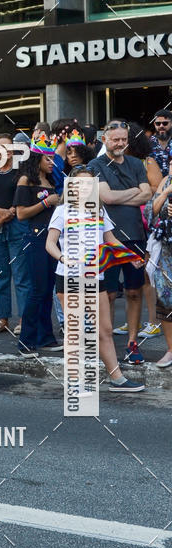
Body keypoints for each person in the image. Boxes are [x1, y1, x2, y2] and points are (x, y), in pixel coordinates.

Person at [46, 166, 144, 392]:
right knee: (75, 331)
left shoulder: (99, 210)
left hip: (95, 276)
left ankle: (117, 378)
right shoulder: (63, 211)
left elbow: (110, 240)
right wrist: (63, 257)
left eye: (89, 184)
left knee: (105, 330)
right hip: (69, 278)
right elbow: (49, 243)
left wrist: (131, 257)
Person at [88, 121, 151, 364]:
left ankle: (132, 343)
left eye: (123, 139)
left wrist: (121, 196)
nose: (120, 144)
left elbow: (148, 193)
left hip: (135, 236)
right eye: (115, 140)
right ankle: (106, 344)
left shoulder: (136, 163)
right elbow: (106, 197)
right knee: (110, 294)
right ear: (105, 140)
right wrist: (134, 192)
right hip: (107, 239)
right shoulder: (96, 165)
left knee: (134, 291)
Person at [14, 138, 62, 355]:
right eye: (47, 158)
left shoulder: (51, 179)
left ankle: (45, 337)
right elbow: (21, 213)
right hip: (35, 238)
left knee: (47, 290)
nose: (52, 162)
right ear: (37, 159)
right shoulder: (26, 180)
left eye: (53, 158)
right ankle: (26, 340)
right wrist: (46, 203)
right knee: (37, 290)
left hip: (52, 239)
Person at [0, 134, 31, 336]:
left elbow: (21, 202)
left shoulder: (21, 172)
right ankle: (3, 319)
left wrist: (2, 217)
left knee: (21, 277)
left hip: (17, 226)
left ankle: (23, 320)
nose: (5, 150)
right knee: (0, 276)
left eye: (8, 146)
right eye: (0, 147)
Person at [122, 122, 163, 340]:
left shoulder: (147, 161)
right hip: (125, 224)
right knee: (132, 281)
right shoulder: (117, 162)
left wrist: (132, 192)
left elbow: (157, 189)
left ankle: (154, 322)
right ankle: (133, 323)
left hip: (145, 225)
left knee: (147, 274)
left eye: (124, 138)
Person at [145, 160, 172, 367]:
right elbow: (150, 213)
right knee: (165, 300)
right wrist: (165, 193)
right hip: (166, 250)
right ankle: (171, 350)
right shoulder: (165, 181)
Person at [149, 109, 172, 175]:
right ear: (154, 124)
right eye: (158, 123)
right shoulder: (146, 145)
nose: (161, 126)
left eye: (165, 123)